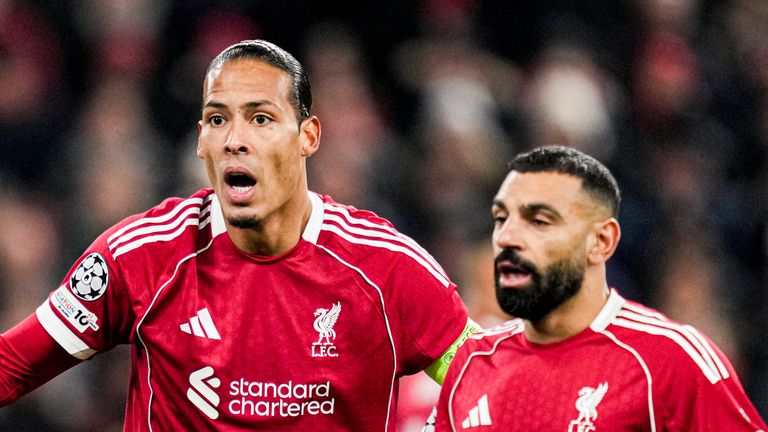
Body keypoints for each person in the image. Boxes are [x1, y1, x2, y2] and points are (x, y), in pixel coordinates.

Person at [0, 39, 479, 430]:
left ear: (308, 136)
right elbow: (12, 365)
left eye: (261, 118)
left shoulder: (386, 270)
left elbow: (492, 379)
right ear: (200, 141)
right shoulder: (142, 256)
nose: (234, 138)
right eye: (217, 119)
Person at [426, 145, 767, 431]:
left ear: (601, 242)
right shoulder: (472, 364)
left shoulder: (670, 359)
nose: (508, 238)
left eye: (539, 221)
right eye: (502, 219)